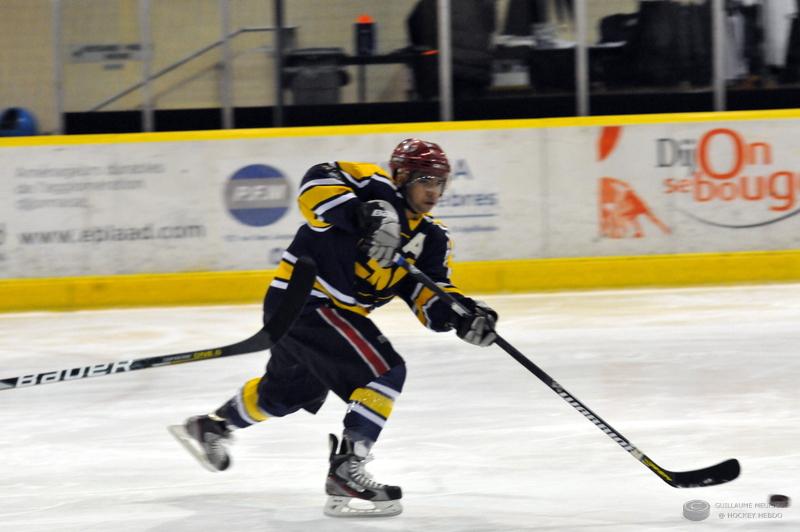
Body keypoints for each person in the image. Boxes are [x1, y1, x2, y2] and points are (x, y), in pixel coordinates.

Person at [170, 138, 498, 517]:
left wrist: (463, 316)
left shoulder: (433, 239)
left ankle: (213, 426)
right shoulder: (372, 186)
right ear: (401, 176)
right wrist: (365, 214)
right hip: (306, 298)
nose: (433, 191)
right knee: (383, 371)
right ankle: (347, 469)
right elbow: (314, 183)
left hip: (327, 314)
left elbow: (429, 294)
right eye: (425, 180)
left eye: (440, 182)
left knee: (285, 394)